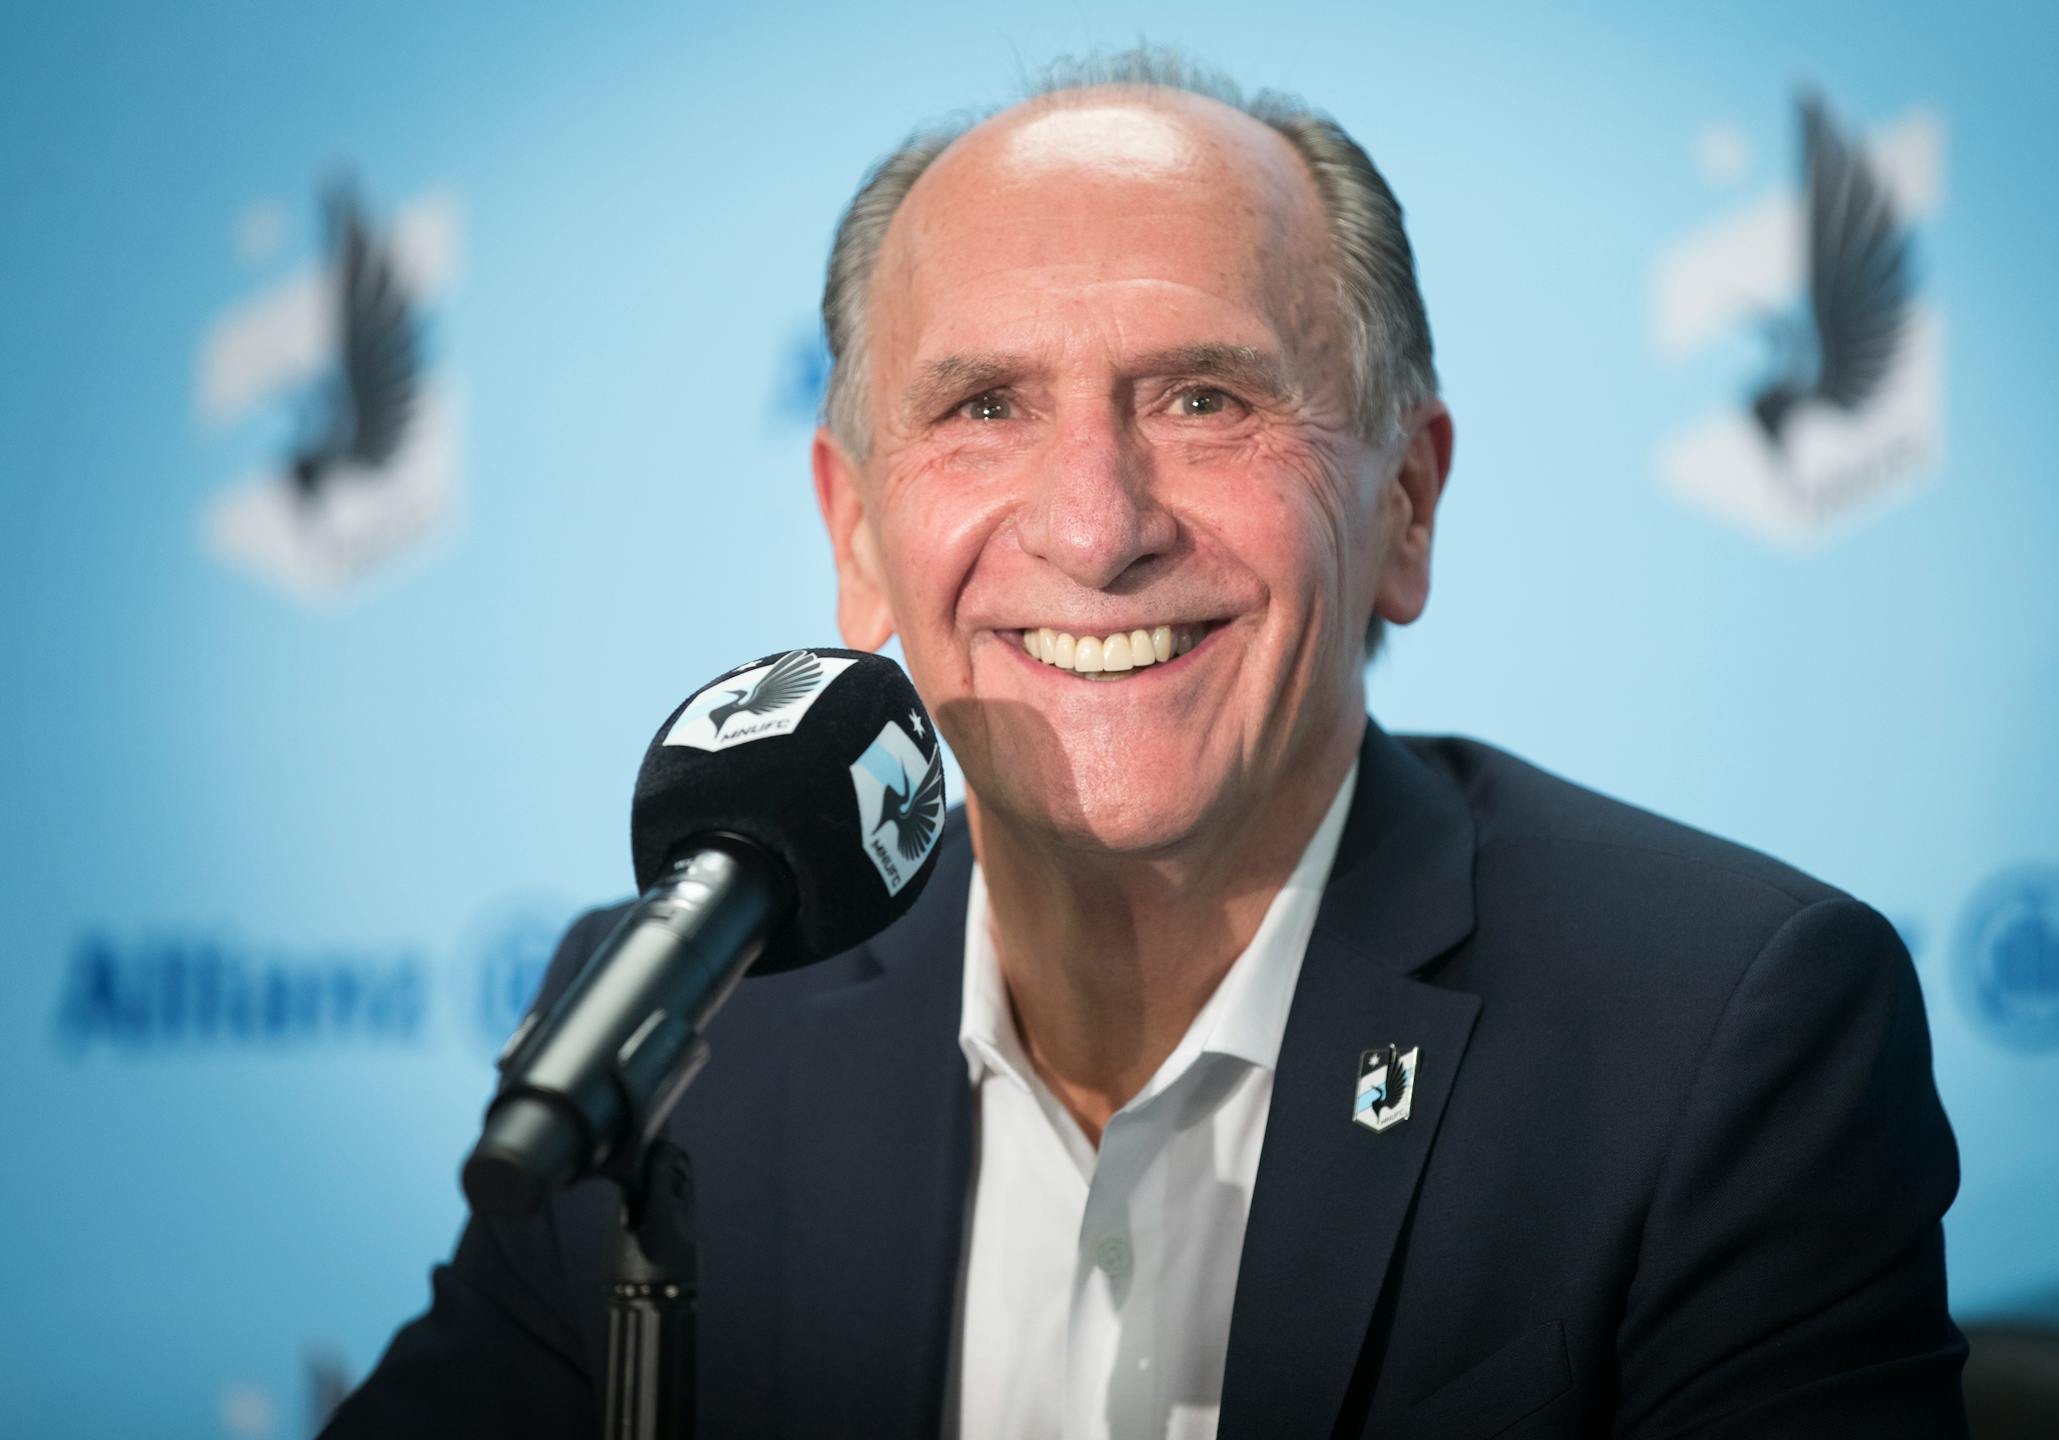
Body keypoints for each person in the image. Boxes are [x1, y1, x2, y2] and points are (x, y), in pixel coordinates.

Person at [326, 47, 1968, 1439]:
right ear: (856, 534)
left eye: (1203, 399)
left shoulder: (1720, 1037)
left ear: (1406, 503)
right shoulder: (683, 1035)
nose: (1096, 527)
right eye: (985, 407)